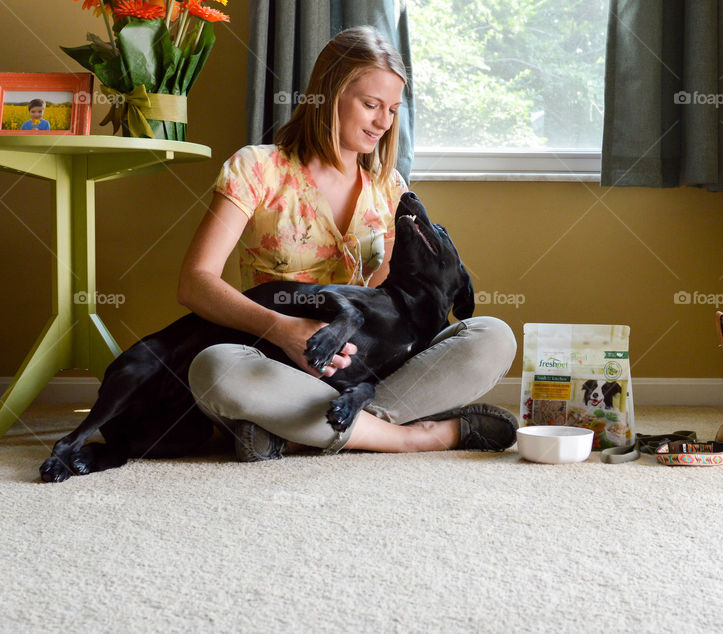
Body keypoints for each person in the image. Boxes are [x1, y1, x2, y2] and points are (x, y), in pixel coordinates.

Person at [180, 25, 518, 461]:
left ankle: (304, 432)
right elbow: (194, 282)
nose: (383, 122)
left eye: (393, 109)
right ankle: (416, 435)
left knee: (493, 336)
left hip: (365, 369)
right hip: (277, 361)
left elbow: (390, 303)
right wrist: (282, 330)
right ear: (327, 94)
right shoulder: (257, 168)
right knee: (213, 369)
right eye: (371, 104)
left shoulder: (390, 187)